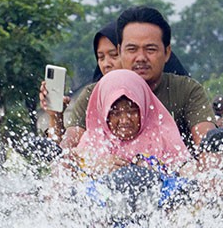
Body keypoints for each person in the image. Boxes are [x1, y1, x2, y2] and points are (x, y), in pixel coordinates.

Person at [62, 7, 216, 162]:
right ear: (120, 51)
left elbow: (207, 143)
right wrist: (95, 166)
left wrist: (204, 172)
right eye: (132, 49)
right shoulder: (95, 94)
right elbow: (69, 148)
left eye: (150, 49)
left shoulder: (187, 90)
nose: (141, 58)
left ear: (167, 52)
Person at [40, 19, 190, 141]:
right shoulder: (92, 96)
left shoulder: (179, 91)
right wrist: (55, 117)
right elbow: (68, 152)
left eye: (113, 55)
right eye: (101, 57)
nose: (106, 64)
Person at [74, 69, 191, 177]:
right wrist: (99, 167)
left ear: (144, 109)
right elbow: (76, 176)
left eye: (132, 111)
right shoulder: (92, 141)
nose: (125, 120)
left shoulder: (164, 138)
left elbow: (189, 176)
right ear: (104, 113)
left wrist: (156, 170)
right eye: (115, 113)